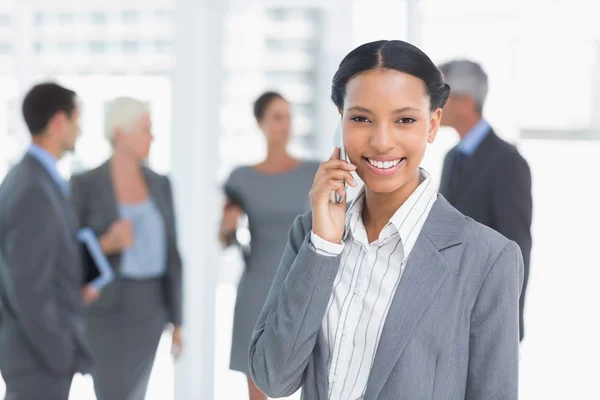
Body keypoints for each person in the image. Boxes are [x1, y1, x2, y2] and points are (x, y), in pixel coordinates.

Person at [249, 40, 524, 400]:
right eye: (361, 118)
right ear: (341, 121)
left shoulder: (487, 258)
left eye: (405, 120)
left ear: (432, 124)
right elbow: (273, 379)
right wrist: (324, 246)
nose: (381, 141)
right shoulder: (310, 234)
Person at [70, 97, 183, 400]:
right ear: (120, 134)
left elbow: (173, 255)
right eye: (145, 129)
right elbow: (65, 252)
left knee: (134, 393)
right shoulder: (85, 184)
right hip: (104, 309)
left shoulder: (160, 183)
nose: (153, 136)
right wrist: (106, 243)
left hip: (152, 309)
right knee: (111, 392)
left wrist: (178, 320)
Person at [219, 91, 320, 400]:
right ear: (260, 123)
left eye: (288, 116)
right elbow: (224, 239)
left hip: (304, 284)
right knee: (258, 385)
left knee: (317, 376)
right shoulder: (241, 178)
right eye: (277, 117)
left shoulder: (315, 171)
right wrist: (228, 225)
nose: (285, 124)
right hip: (257, 289)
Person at [0, 83, 92, 399]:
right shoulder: (32, 188)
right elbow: (28, 288)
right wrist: (61, 352)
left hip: (38, 355)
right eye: (77, 119)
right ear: (58, 122)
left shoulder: (40, 178)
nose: (80, 129)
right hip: (37, 358)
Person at [437, 59, 532, 341]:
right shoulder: (452, 158)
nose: (433, 105)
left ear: (465, 101)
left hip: (489, 319)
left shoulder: (507, 161)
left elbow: (517, 246)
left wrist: (508, 322)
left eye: (441, 96)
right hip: (452, 314)